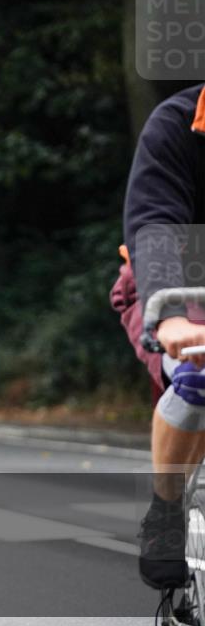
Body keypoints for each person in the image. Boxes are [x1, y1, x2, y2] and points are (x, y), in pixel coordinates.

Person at [120, 82, 205, 591]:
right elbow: (154, 225)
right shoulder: (175, 126)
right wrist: (172, 314)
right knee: (198, 374)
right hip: (176, 288)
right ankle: (166, 514)